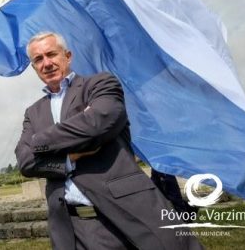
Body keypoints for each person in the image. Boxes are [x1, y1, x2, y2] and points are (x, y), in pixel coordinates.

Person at [15, 32, 202, 250]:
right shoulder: (33, 112)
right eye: (38, 59)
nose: (46, 63)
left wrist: (38, 141)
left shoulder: (100, 84)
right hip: (71, 228)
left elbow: (96, 124)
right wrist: (68, 158)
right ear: (34, 67)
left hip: (125, 215)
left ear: (68, 56)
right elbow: (26, 163)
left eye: (51, 54)